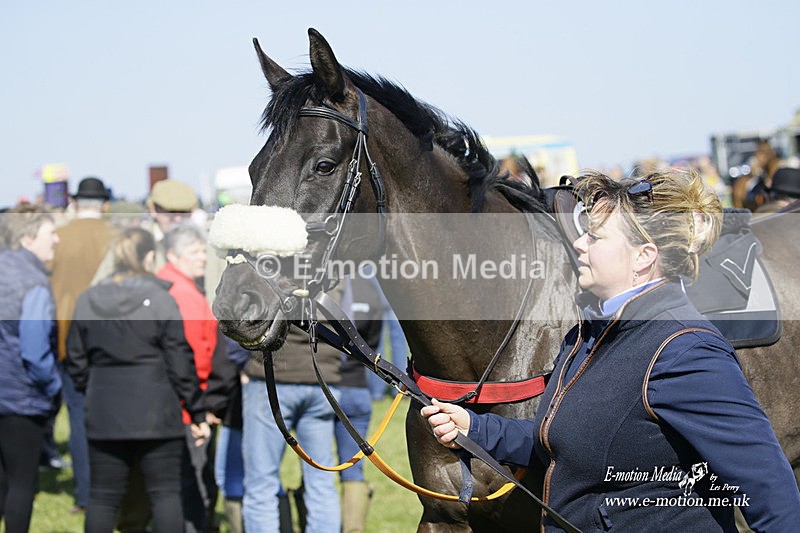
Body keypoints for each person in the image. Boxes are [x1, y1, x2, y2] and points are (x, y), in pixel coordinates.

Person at [422, 169, 800, 531]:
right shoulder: (585, 336)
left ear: (643, 257)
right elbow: (564, 441)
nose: (578, 244)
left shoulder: (687, 350)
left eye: (596, 237)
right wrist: (476, 428)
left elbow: (769, 488)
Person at [66, 227, 210, 533]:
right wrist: (196, 410)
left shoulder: (87, 300)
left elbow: (75, 358)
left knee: (103, 497)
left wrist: (92, 388)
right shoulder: (161, 299)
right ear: (148, 257)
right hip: (157, 412)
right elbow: (179, 360)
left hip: (105, 410)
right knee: (165, 494)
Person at [241, 289, 344, 533]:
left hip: (274, 378)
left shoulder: (273, 266)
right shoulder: (331, 268)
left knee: (261, 484)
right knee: (321, 483)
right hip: (323, 379)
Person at [157, 222, 235, 532]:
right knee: (193, 489)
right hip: (189, 407)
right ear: (173, 255)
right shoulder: (184, 296)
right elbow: (194, 356)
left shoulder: (163, 285)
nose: (203, 257)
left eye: (204, 251)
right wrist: (200, 409)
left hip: (171, 403)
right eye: (195, 252)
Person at [51, 176, 116, 514]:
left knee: (77, 417)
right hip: (111, 339)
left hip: (66, 336)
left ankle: (85, 494)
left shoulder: (57, 238)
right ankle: (113, 492)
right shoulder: (116, 236)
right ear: (104, 204)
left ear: (75, 203)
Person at [0, 204, 62, 533]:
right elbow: (35, 351)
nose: (56, 240)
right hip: (20, 400)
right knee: (21, 484)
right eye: (50, 233)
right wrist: (54, 388)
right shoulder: (33, 282)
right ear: (27, 238)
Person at [335, 274, 385, 533]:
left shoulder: (325, 286)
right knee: (354, 469)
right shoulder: (369, 289)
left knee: (318, 466)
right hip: (358, 388)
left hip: (328, 387)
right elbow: (372, 343)